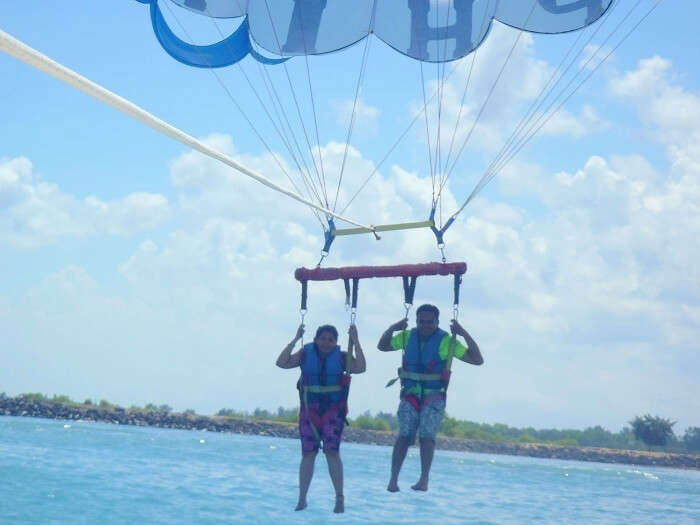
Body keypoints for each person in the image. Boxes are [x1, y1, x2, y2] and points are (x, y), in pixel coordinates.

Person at [378, 303, 483, 492]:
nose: (425, 325)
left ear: (437, 322)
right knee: (403, 436)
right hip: (410, 394)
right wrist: (393, 328)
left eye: (430, 322)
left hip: (433, 396)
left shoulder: (446, 341)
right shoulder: (407, 336)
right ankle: (393, 479)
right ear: (417, 321)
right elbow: (383, 346)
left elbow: (477, 360)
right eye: (421, 322)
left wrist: (462, 333)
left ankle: (423, 479)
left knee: (427, 436)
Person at [276, 323, 366, 513]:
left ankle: (339, 498)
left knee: (332, 452)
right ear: (316, 340)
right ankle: (302, 498)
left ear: (335, 342)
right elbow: (281, 362)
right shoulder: (305, 355)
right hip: (310, 410)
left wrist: (356, 340)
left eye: (330, 340)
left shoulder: (342, 358)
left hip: (333, 411)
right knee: (308, 454)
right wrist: (295, 338)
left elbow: (361, 367)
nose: (326, 343)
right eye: (322, 339)